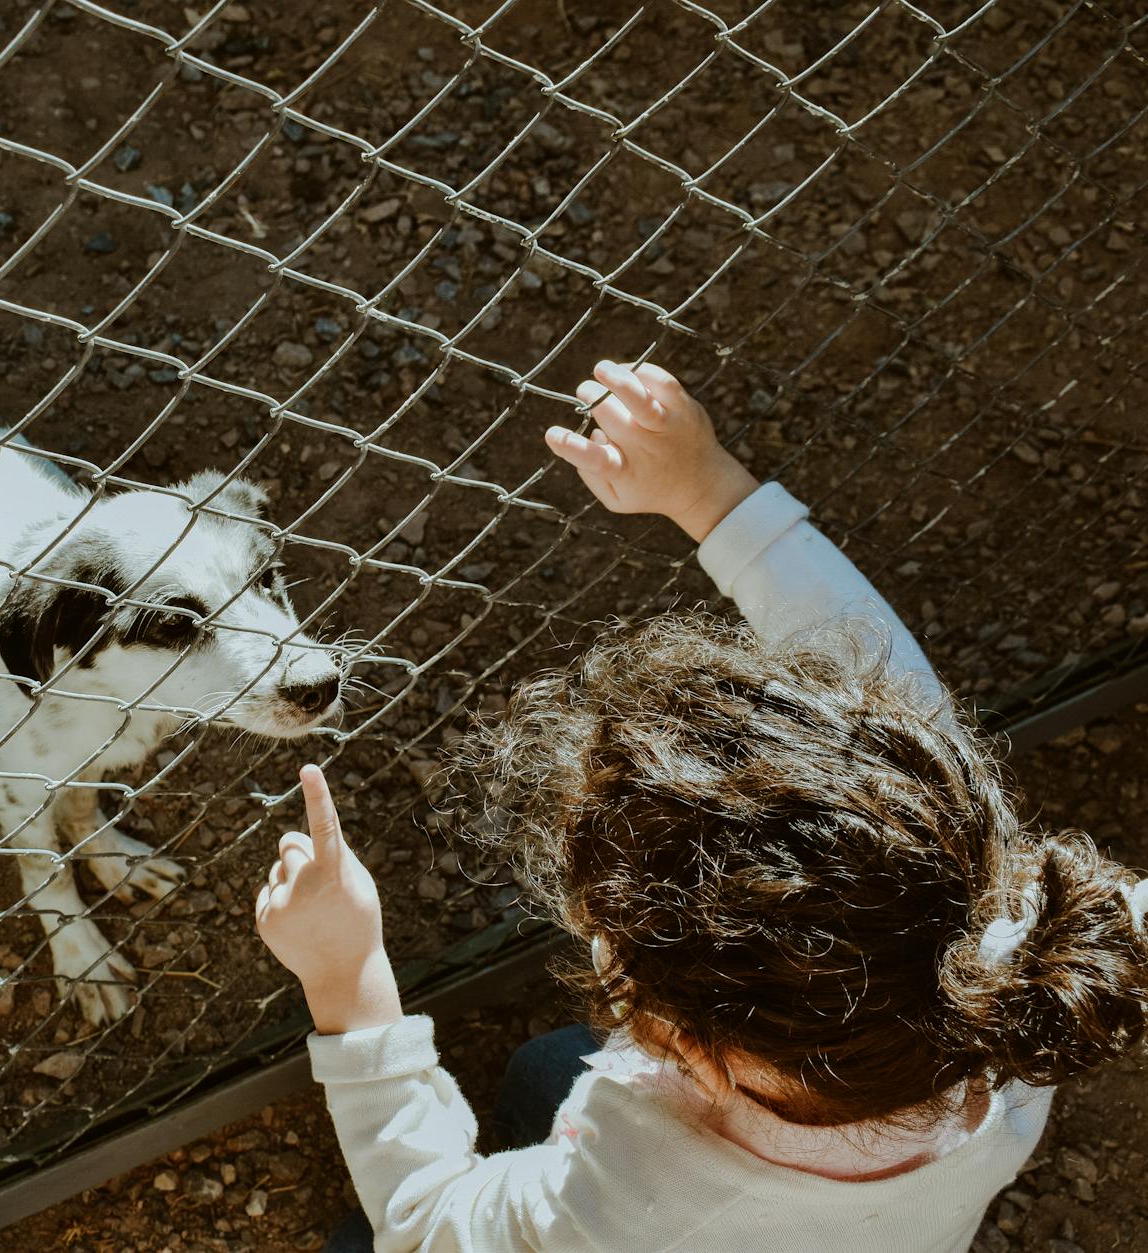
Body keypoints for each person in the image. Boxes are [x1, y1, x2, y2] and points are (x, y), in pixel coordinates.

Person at [253, 359, 1148, 1252]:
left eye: (608, 932)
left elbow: (427, 1225)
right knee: (543, 1068)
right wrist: (711, 492)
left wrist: (348, 983)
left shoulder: (630, 1206)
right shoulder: (1013, 945)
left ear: (696, 1055)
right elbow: (886, 684)